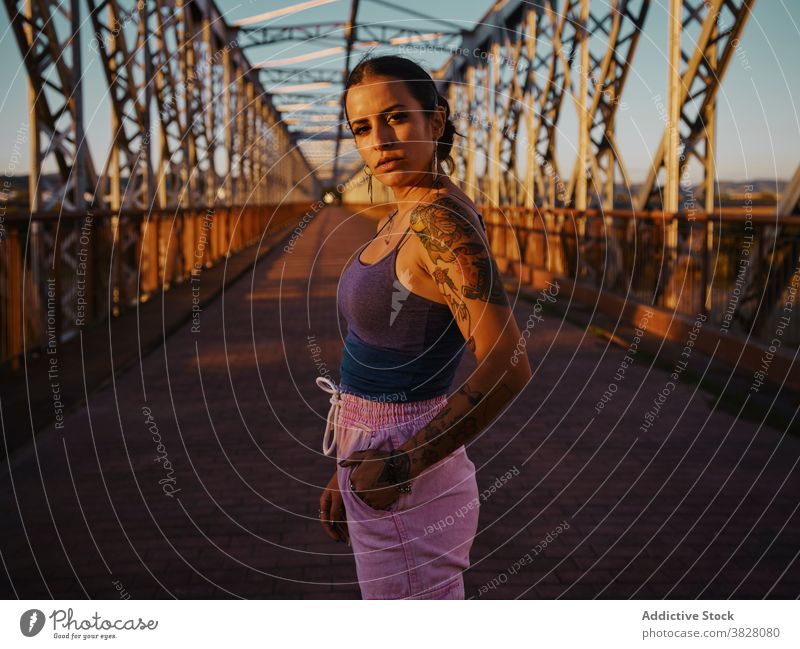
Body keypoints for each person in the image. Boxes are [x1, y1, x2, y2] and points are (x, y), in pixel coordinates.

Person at [316, 54, 532, 599]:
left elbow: (509, 364)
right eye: (362, 128)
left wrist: (398, 462)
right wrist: (347, 466)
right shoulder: (404, 209)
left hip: (406, 468)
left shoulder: (440, 220)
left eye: (397, 118)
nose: (379, 140)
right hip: (374, 455)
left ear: (435, 121)